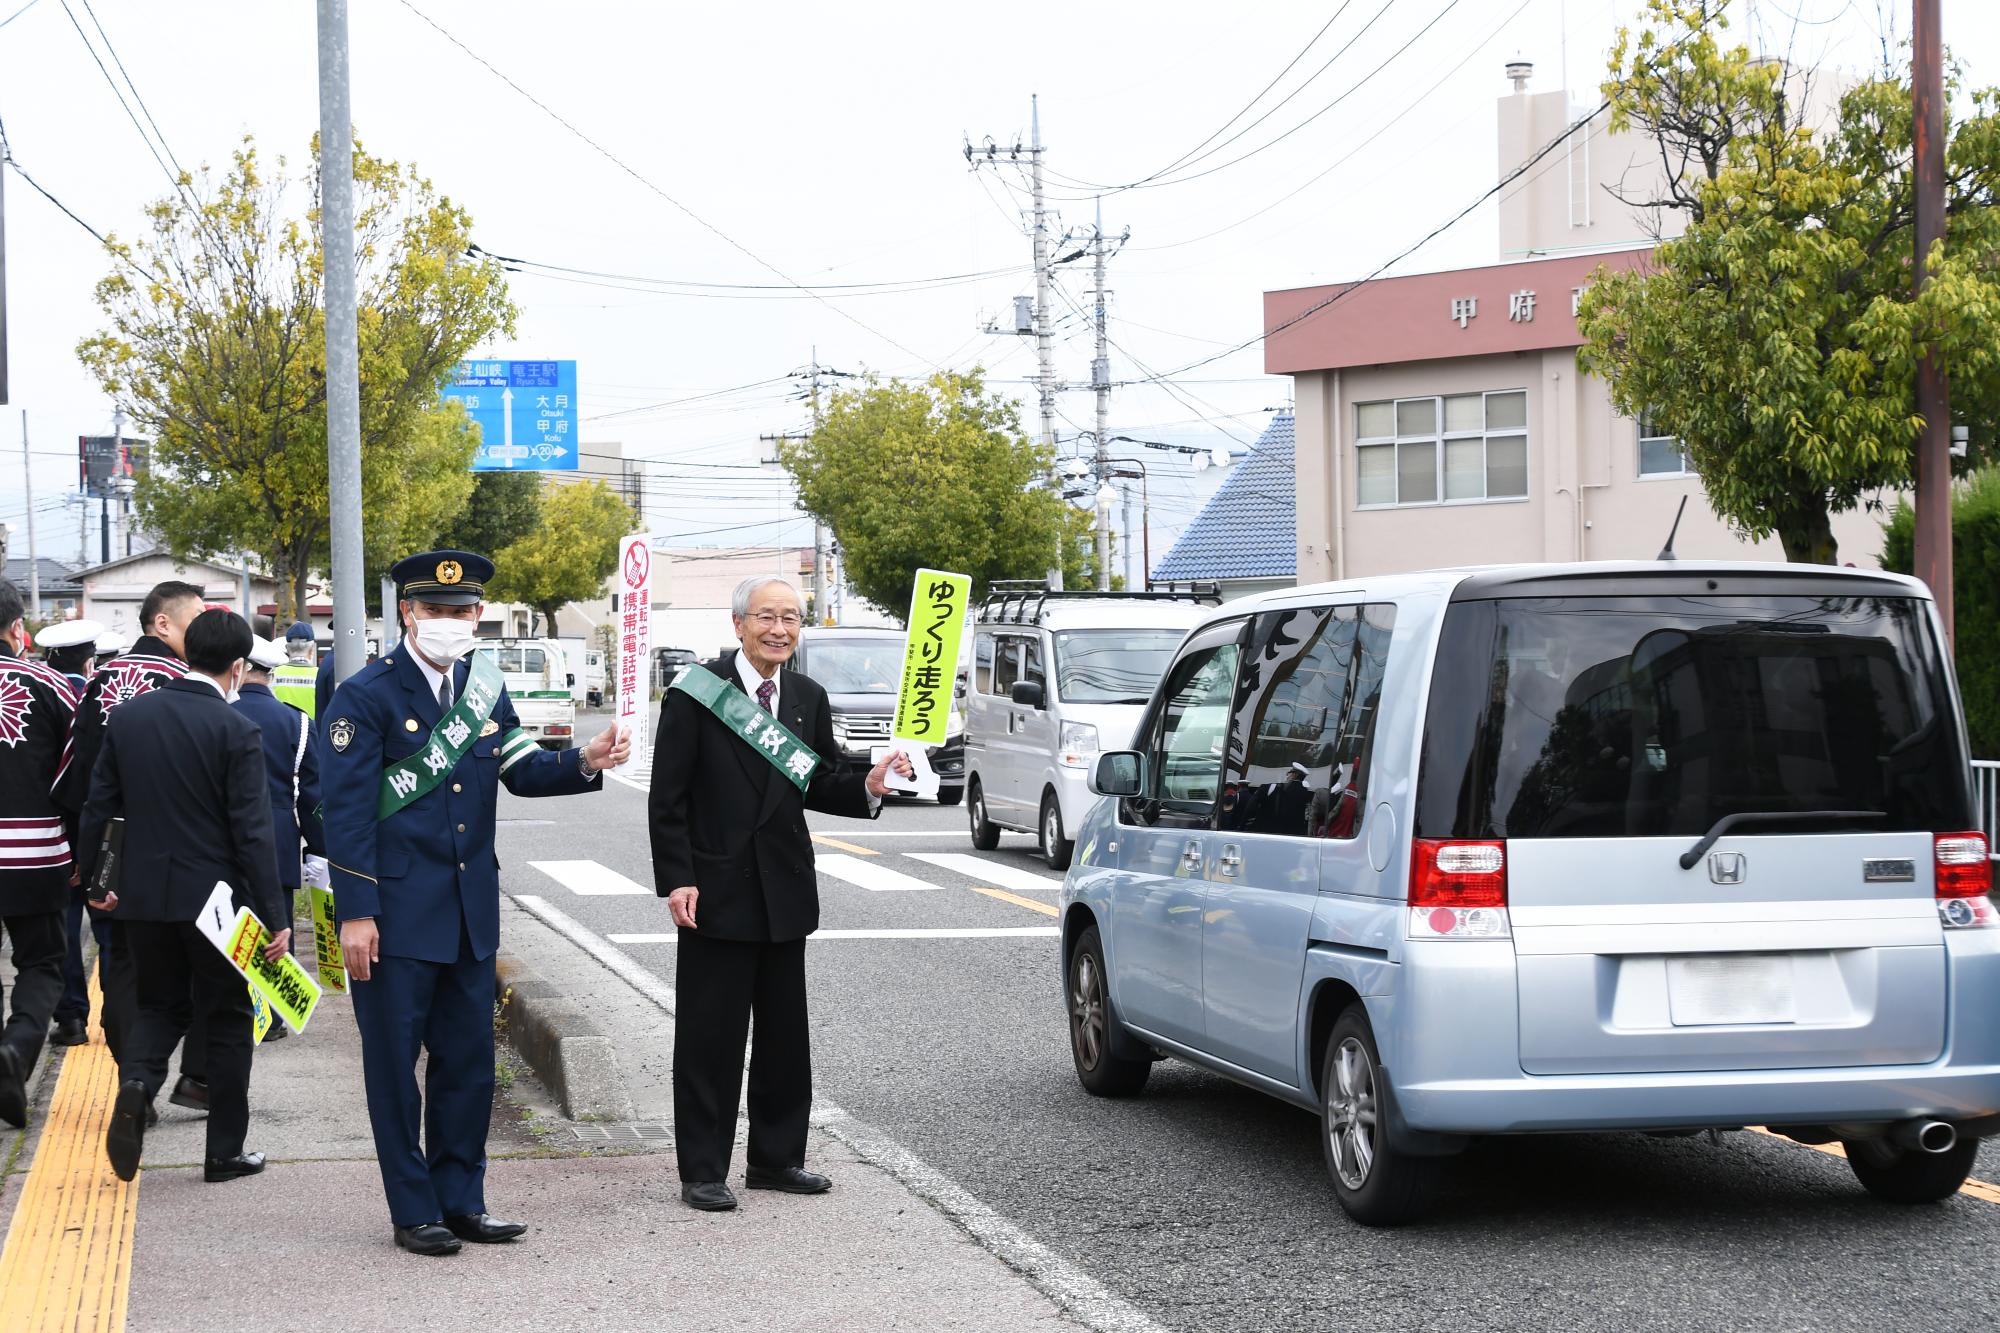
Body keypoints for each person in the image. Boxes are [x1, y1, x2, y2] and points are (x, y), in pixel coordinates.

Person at [322, 549, 629, 1256]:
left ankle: (462, 1199)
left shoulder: (484, 690)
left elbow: (521, 767)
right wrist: (357, 911)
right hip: (394, 917)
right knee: (395, 1069)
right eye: (436, 610)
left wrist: (584, 759)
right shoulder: (364, 695)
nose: (452, 622)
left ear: (479, 614)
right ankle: (413, 1208)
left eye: (463, 611)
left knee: (468, 1065)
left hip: (468, 914)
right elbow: (343, 814)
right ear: (408, 612)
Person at [649, 575, 911, 1213]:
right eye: (766, 617)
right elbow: (668, 798)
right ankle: (703, 1169)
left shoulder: (806, 694)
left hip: (784, 889)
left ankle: (776, 1159)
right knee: (711, 1037)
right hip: (715, 889)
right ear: (738, 624)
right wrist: (678, 876)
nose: (779, 630)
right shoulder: (695, 694)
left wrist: (868, 783)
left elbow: (818, 777)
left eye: (791, 618)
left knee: (784, 1037)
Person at [79, 609, 289, 1184]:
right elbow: (252, 830)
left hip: (142, 895)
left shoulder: (131, 717)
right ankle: (224, 1151)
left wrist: (95, 881)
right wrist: (275, 916)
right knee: (224, 1016)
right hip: (215, 903)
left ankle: (138, 1086)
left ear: (185, 653)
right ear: (239, 667)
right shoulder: (236, 729)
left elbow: (100, 806)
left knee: (158, 1004)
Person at [54, 581, 205, 1066]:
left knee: (116, 954)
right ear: (163, 622)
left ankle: (127, 1068)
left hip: (108, 843)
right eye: (195, 619)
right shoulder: (187, 681)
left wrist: (83, 850)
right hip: (173, 848)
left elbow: (77, 771)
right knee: (178, 961)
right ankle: (177, 1072)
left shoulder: (99, 679)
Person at [0, 582, 83, 1126]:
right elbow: (80, 775)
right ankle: (17, 1047)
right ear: (16, 630)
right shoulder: (53, 685)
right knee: (44, 960)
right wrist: (83, 849)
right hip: (34, 850)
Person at [231, 633, 324, 982]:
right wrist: (319, 850)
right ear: (269, 674)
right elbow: (311, 795)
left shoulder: (219, 712)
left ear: (237, 668)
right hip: (279, 838)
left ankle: (236, 1013)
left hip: (224, 839)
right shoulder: (298, 722)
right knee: (276, 925)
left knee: (230, 927)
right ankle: (272, 1015)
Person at [34, 619, 102, 1050]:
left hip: (50, 830)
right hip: (98, 828)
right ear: (90, 659)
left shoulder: (41, 695)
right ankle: (122, 1017)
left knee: (63, 924)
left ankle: (72, 1016)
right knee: (111, 926)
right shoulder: (97, 698)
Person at [271, 622, 319, 716]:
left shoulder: (273, 674)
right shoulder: (319, 675)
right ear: (312, 648)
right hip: (311, 729)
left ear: (287, 648)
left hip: (283, 728)